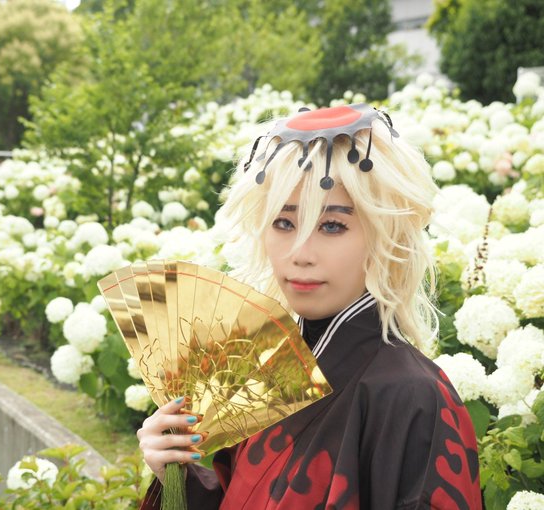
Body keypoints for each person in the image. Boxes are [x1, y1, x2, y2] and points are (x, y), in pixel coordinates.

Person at [137, 104, 482, 509]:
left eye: (332, 225)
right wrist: (176, 475)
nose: (300, 253)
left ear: (386, 235)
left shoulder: (414, 396)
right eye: (284, 223)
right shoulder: (267, 372)